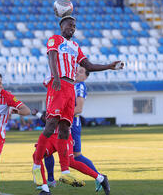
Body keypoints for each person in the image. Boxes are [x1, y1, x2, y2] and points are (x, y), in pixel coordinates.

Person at [32, 15, 123, 187]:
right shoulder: (55, 39)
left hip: (70, 88)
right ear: (61, 26)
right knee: (51, 124)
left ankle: (65, 171)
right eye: (69, 25)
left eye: (74, 26)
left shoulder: (75, 46)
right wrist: (56, 77)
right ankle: (37, 164)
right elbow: (51, 56)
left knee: (65, 128)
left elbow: (88, 65)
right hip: (58, 84)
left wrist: (109, 66)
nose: (72, 28)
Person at [38, 67, 110, 195]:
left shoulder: (79, 86)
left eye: (81, 71)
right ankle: (48, 182)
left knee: (75, 157)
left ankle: (99, 176)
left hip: (70, 125)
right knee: (43, 153)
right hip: (57, 126)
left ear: (86, 76)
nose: (77, 72)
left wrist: (58, 114)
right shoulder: (65, 84)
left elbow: (79, 109)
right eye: (77, 70)